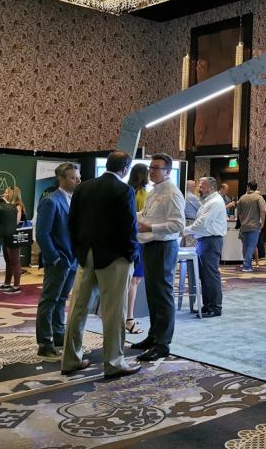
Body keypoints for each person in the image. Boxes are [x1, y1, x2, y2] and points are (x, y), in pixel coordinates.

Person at [61, 151, 141, 379]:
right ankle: (114, 362)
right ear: (125, 169)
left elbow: (72, 223)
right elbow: (129, 227)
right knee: (114, 311)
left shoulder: (83, 188)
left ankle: (70, 360)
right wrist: (132, 254)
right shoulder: (123, 190)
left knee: (77, 308)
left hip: (86, 255)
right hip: (115, 258)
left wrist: (79, 250)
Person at [132, 153, 185, 361]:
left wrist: (151, 227)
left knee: (162, 294)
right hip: (150, 245)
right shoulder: (154, 191)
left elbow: (178, 224)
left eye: (156, 168)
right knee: (153, 293)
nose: (151, 171)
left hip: (163, 246)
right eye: (151, 167)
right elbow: (145, 214)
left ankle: (163, 343)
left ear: (167, 171)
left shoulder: (172, 193)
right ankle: (153, 336)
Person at [35, 163, 79, 359]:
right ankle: (45, 343)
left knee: (61, 299)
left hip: (72, 259)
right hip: (59, 260)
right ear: (62, 179)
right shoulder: (50, 201)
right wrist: (54, 258)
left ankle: (59, 335)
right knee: (49, 300)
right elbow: (42, 234)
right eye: (73, 178)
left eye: (78, 177)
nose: (78, 181)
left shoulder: (74, 200)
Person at [183, 177, 227, 317]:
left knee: (210, 275)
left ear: (211, 188)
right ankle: (207, 306)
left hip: (210, 241)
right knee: (204, 276)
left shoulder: (215, 202)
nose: (199, 189)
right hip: (204, 241)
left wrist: (184, 230)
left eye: (202, 187)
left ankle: (215, 307)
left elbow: (202, 223)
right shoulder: (208, 201)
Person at [125, 163, 149, 336]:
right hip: (138, 240)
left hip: (126, 240)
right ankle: (129, 319)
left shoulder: (127, 191)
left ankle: (127, 316)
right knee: (134, 281)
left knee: (129, 280)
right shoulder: (143, 194)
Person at [234, 181, 266, 273]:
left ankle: (246, 264)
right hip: (254, 226)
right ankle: (247, 266)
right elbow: (263, 211)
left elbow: (239, 213)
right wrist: (262, 222)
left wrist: (242, 222)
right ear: (256, 188)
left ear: (248, 187)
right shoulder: (259, 198)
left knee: (245, 246)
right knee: (251, 246)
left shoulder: (242, 198)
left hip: (244, 226)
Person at [0, 185, 26, 294]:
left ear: (12, 194)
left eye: (6, 192)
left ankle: (16, 286)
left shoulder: (18, 205)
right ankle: (7, 283)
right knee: (8, 260)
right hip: (6, 235)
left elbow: (15, 221)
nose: (4, 194)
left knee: (15, 261)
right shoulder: (7, 205)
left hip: (14, 236)